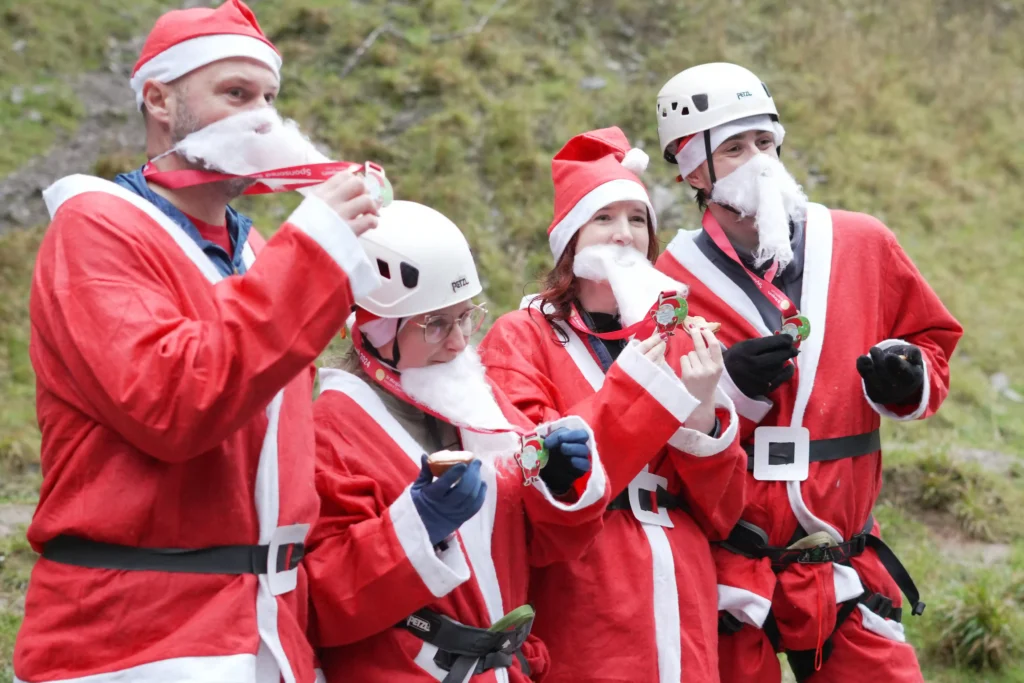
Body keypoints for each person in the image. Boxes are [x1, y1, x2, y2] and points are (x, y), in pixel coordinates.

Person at [14, 2, 383, 682]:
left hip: (268, 631)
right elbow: (177, 405)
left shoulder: (260, 252)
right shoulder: (96, 229)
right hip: (138, 639)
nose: (262, 118)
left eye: (269, 98)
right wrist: (315, 251)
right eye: (235, 94)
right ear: (159, 99)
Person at [652, 62, 964, 682]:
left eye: (765, 142)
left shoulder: (862, 242)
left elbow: (933, 342)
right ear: (692, 170)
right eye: (734, 148)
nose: (758, 161)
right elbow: (657, 432)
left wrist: (907, 379)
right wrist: (729, 393)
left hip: (844, 558)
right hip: (731, 570)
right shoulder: (671, 281)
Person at [479, 127, 748, 683]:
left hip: (682, 584)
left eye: (636, 219)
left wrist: (702, 419)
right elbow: (541, 481)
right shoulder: (520, 337)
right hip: (586, 584)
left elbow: (722, 513)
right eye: (603, 218)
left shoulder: (680, 337)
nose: (623, 235)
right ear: (570, 239)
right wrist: (638, 391)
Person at [306, 200, 610, 683]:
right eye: (436, 324)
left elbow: (548, 550)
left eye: (466, 317)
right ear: (375, 330)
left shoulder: (476, 404)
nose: (458, 343)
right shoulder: (331, 431)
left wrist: (556, 485)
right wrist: (417, 527)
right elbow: (325, 600)